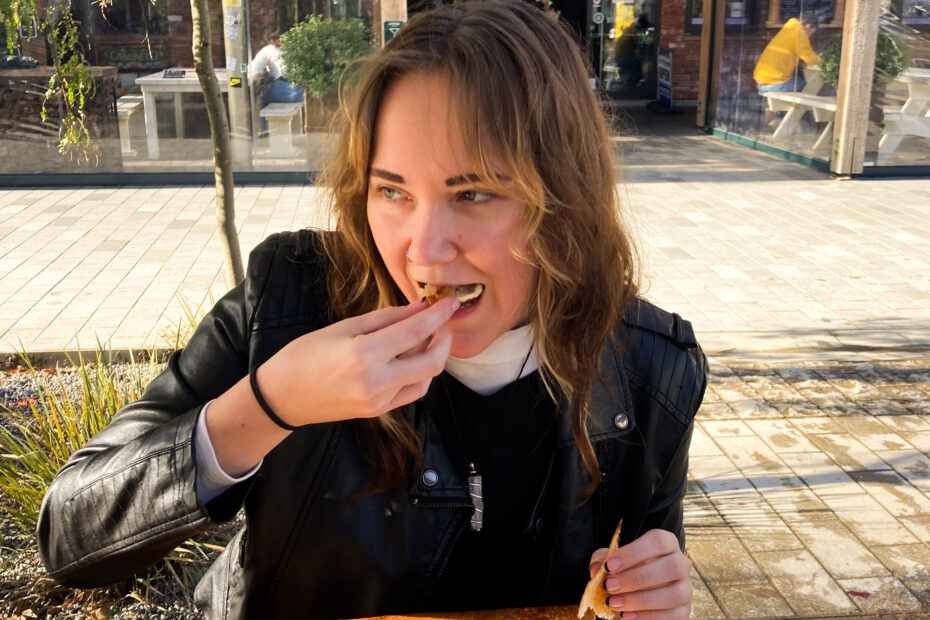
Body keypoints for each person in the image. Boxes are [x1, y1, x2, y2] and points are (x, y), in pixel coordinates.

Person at [37, 2, 706, 618]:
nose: (421, 248)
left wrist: (653, 591)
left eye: (472, 193)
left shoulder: (651, 370)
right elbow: (68, 536)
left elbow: (641, 565)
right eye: (392, 191)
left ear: (563, 203)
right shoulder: (289, 299)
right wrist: (271, 405)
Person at [249, 31, 304, 130]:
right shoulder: (296, 46)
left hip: (284, 90)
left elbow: (255, 70)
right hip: (298, 92)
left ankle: (265, 131)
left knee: (264, 97)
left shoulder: (268, 50)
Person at [754, 12, 821, 93]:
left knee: (797, 81)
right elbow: (809, 58)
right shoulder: (800, 33)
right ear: (808, 26)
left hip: (761, 79)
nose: (810, 36)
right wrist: (823, 61)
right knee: (806, 87)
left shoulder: (789, 27)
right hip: (774, 82)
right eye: (811, 33)